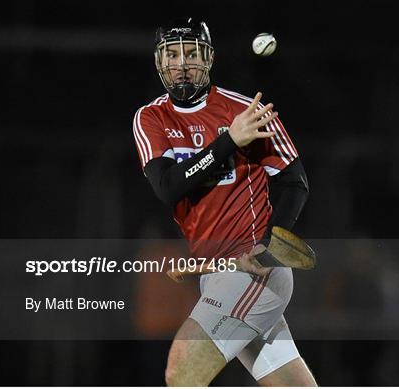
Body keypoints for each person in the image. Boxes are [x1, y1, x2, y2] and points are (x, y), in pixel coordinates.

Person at [132, 17, 316, 386]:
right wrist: (227, 143)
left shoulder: (245, 111)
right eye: (171, 54)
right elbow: (169, 187)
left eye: (191, 54)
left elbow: (294, 183)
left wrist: (267, 246)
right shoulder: (150, 118)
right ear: (158, 62)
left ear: (209, 59)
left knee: (183, 371)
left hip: (253, 271)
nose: (181, 63)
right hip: (217, 274)